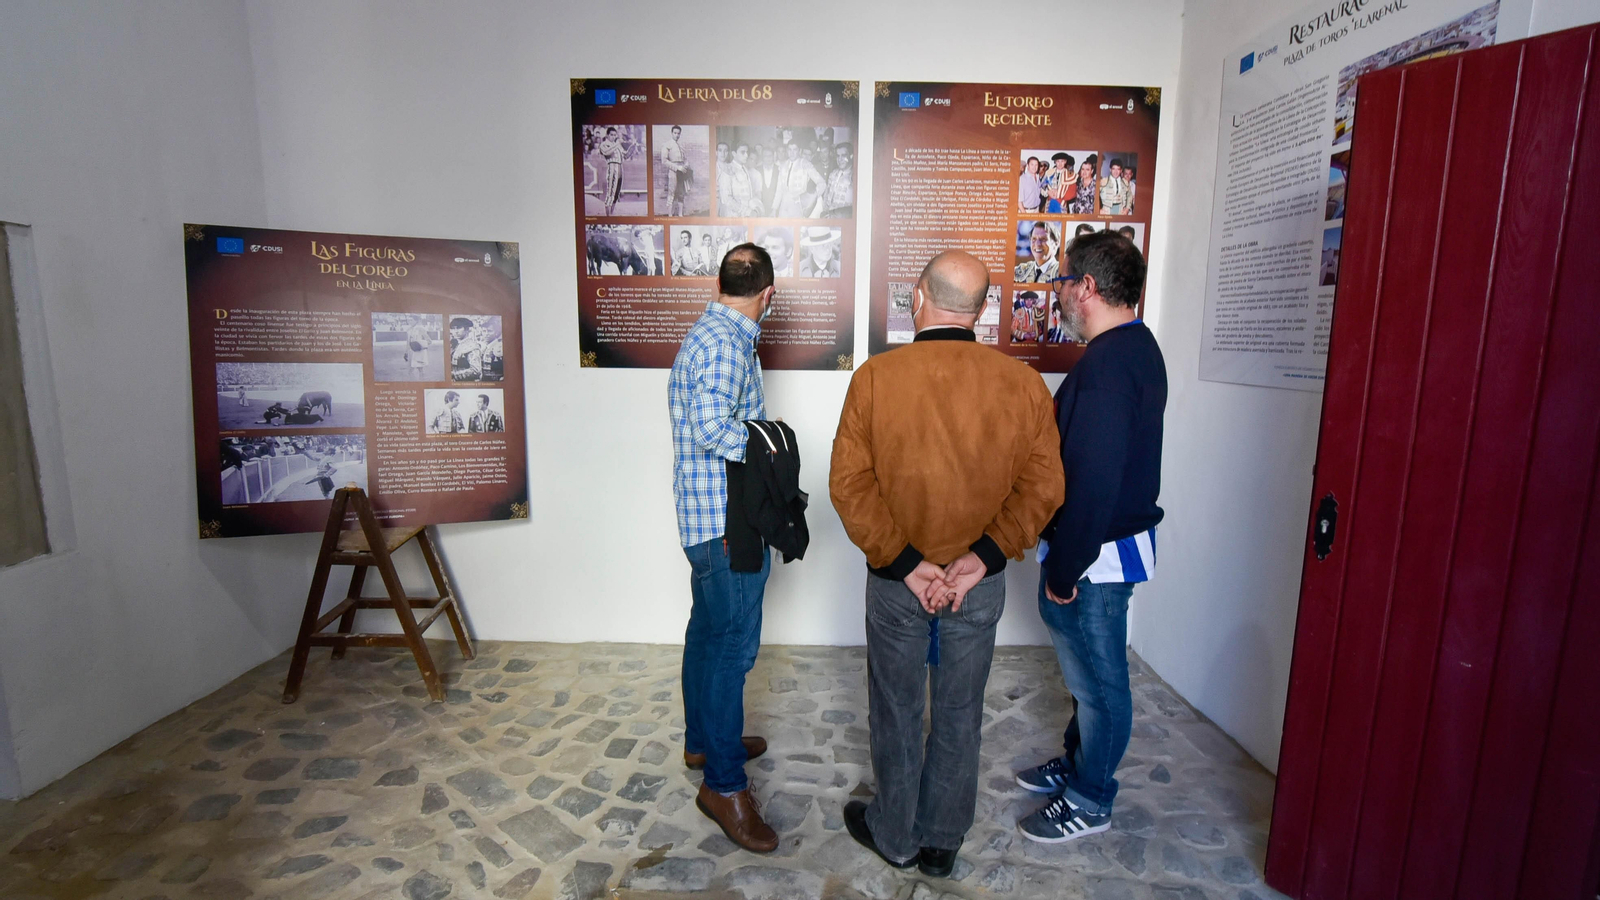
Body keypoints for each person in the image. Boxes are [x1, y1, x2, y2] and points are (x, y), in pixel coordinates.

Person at [829, 250, 1063, 879]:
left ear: (916, 297)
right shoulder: (1023, 385)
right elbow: (1044, 490)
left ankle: (895, 832)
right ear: (982, 310)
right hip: (974, 585)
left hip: (896, 580)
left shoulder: (876, 379)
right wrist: (980, 559)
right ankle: (941, 841)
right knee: (960, 707)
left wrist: (907, 562)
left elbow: (849, 487)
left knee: (896, 706)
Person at [1016, 231, 1166, 845]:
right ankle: (1082, 764)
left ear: (1087, 288)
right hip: (1101, 553)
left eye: (1061, 282)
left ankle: (1091, 795)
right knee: (1090, 683)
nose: (1056, 296)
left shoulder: (1107, 367)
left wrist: (1062, 569)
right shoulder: (1133, 347)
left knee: (1100, 688)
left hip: (1095, 561)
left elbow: (1094, 481)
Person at [667, 244, 783, 854]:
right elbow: (714, 429)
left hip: (708, 518)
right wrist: (772, 444)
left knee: (708, 636)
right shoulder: (727, 342)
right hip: (724, 524)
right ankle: (723, 786)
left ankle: (705, 741)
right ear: (767, 294)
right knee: (732, 651)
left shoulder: (712, 333)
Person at [774, 141, 825, 218]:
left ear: (799, 151)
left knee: (797, 229)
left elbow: (822, 183)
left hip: (798, 207)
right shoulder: (783, 165)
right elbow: (779, 190)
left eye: (795, 150)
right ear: (787, 151)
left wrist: (809, 198)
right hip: (783, 208)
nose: (792, 153)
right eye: (789, 149)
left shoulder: (805, 164)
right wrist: (774, 208)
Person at [718, 143, 762, 217]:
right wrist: (747, 212)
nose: (746, 155)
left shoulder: (744, 169)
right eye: (742, 152)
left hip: (745, 216)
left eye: (747, 152)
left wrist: (753, 208)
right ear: (734, 154)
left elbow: (749, 194)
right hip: (733, 216)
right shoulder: (727, 170)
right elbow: (726, 199)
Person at [661, 125, 692, 216]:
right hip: (673, 171)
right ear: (672, 133)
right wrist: (677, 167)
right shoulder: (667, 145)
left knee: (681, 193)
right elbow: (664, 161)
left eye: (678, 133)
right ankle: (670, 215)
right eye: (675, 133)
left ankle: (680, 215)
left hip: (682, 171)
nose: (677, 135)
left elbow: (685, 159)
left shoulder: (680, 146)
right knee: (672, 193)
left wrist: (686, 164)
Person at [599, 127, 625, 216]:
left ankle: (611, 215)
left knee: (616, 194)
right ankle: (608, 217)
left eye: (615, 135)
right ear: (607, 135)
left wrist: (632, 148)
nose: (613, 137)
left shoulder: (617, 145)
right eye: (611, 135)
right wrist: (617, 144)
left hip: (620, 168)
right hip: (612, 167)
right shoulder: (604, 144)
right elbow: (606, 153)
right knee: (610, 193)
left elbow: (625, 156)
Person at [821, 143, 853, 217]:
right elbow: (826, 195)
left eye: (843, 156)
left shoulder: (854, 176)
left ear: (851, 156)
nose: (840, 159)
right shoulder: (833, 174)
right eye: (838, 156)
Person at [756, 143, 781, 214]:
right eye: (765, 156)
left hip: (776, 210)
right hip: (761, 210)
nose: (768, 158)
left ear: (774, 156)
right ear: (762, 157)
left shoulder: (779, 170)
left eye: (770, 156)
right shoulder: (757, 170)